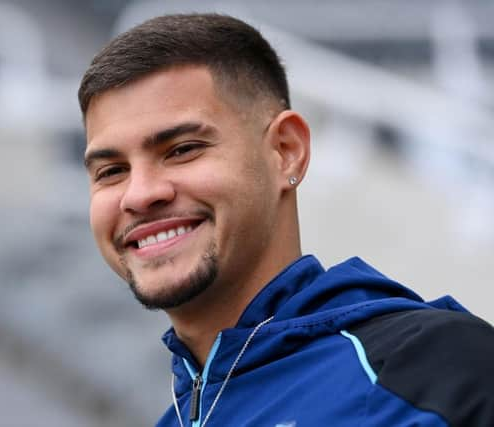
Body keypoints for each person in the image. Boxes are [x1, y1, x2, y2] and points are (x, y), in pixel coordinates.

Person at [78, 13, 494, 427]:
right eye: (111, 171)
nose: (140, 194)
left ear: (286, 150)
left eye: (182, 149)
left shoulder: (435, 369)